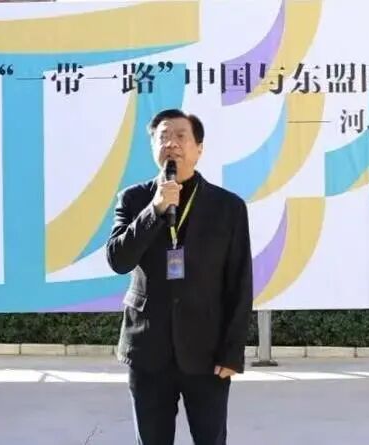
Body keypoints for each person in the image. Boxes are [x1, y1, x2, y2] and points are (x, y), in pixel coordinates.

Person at [105, 108, 253, 445]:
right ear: (153, 147)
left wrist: (232, 352)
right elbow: (118, 260)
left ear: (199, 149)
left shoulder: (228, 207)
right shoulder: (134, 199)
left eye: (181, 136)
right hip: (148, 350)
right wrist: (154, 210)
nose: (171, 143)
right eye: (163, 137)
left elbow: (239, 283)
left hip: (207, 353)